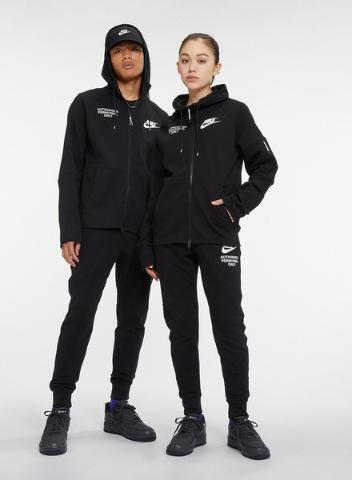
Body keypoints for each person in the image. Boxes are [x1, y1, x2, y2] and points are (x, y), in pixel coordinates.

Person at [138, 33, 278, 459]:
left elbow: (265, 165)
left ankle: (239, 421)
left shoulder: (235, 113)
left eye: (201, 60)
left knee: (229, 327)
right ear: (178, 68)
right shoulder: (168, 125)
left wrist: (235, 206)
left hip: (218, 237)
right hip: (170, 242)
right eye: (185, 60)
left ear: (216, 67)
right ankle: (193, 418)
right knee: (182, 330)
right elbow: (154, 189)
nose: (192, 67)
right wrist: (148, 245)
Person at [39, 24, 168, 456]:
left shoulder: (160, 119)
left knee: (132, 320)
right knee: (80, 315)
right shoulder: (87, 105)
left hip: (140, 237)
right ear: (108, 59)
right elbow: (70, 170)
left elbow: (162, 188)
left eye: (134, 49)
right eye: (118, 50)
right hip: (93, 232)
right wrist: (70, 230)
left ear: (145, 57)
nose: (127, 56)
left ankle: (118, 407)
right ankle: (60, 408)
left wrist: (155, 243)